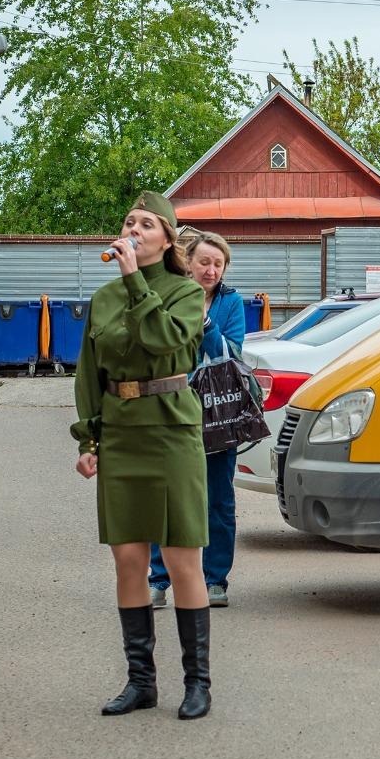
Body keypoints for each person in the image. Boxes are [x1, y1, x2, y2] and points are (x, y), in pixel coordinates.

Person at [73, 190, 214, 720]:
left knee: (181, 560)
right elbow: (90, 373)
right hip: (123, 432)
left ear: (167, 239)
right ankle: (141, 683)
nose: (134, 229)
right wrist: (89, 439)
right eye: (129, 221)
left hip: (172, 432)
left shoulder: (184, 291)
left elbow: (163, 342)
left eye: (146, 224)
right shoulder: (104, 299)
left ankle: (197, 683)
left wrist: (135, 279)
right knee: (128, 560)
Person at [148, 229, 246, 610]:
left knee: (217, 498)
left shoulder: (230, 303)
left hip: (218, 411)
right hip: (170, 410)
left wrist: (205, 322)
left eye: (218, 264)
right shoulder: (167, 297)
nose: (211, 270)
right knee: (166, 497)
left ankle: (215, 580)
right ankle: (158, 579)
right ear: (188, 262)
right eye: (204, 261)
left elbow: (231, 354)